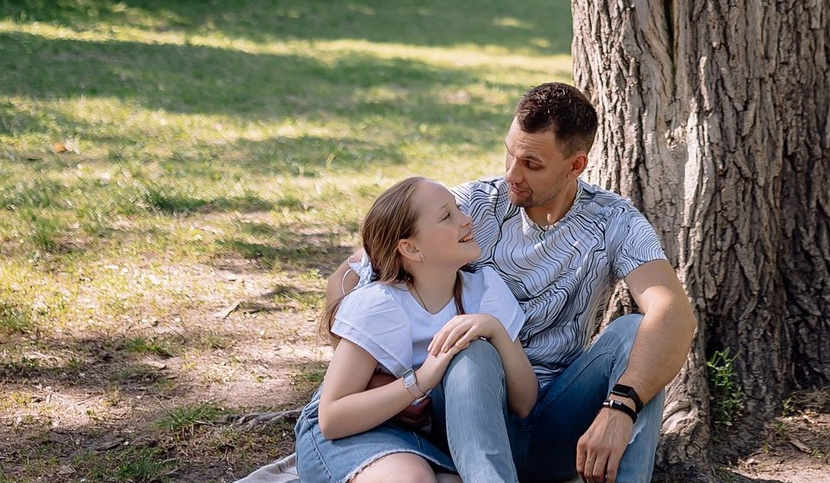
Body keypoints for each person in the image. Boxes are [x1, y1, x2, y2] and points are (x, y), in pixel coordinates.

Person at [327, 83, 696, 483]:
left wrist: (620, 406)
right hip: (461, 413)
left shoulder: (615, 221)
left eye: (532, 164)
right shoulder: (470, 208)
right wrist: (383, 372)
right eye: (510, 152)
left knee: (637, 336)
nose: (512, 174)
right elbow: (353, 277)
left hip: (553, 415)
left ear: (576, 165)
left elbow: (672, 314)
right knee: (472, 349)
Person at [297, 176, 538, 483]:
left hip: (430, 440)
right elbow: (332, 419)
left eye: (459, 209)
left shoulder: (485, 290)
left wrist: (494, 330)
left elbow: (525, 402)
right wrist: (423, 379)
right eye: (447, 216)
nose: (466, 220)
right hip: (357, 433)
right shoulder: (380, 305)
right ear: (411, 249)